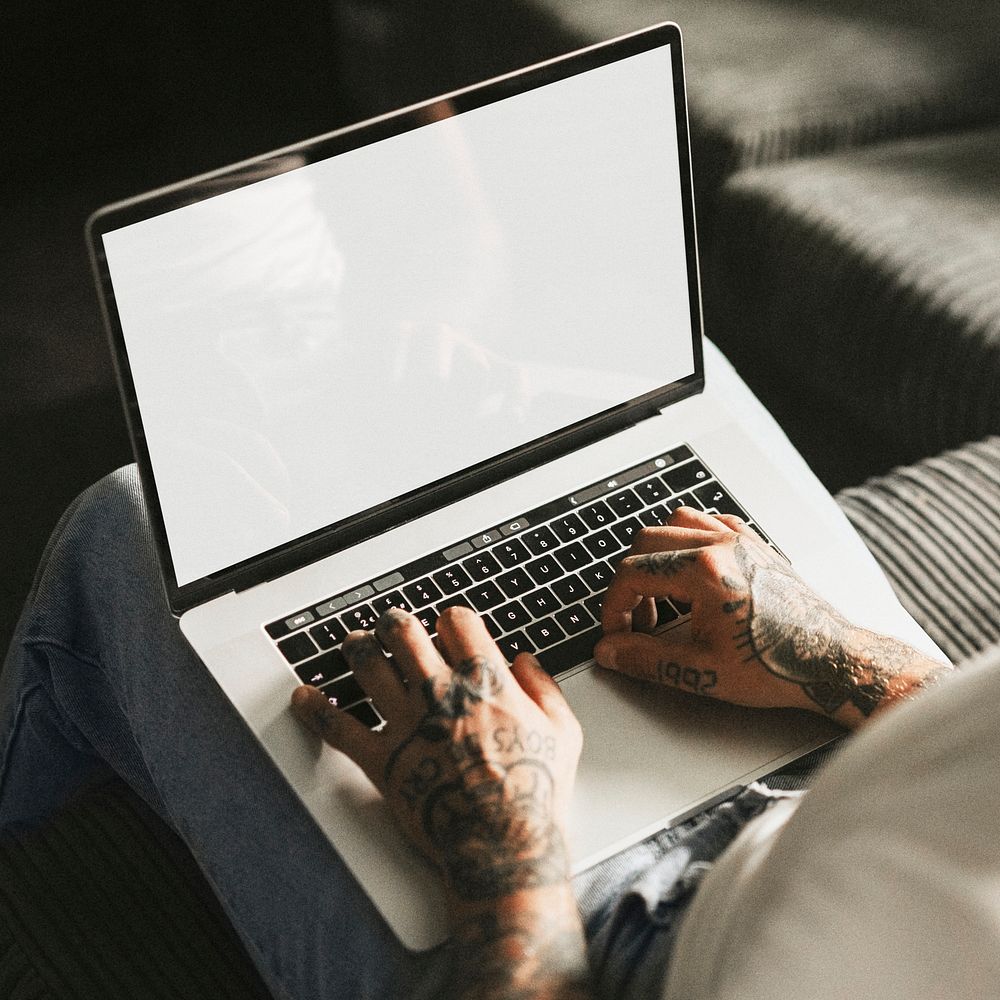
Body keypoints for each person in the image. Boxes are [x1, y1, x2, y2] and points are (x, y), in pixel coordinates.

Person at [3, 466, 999, 999]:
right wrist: (845, 661)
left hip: (602, 950)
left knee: (132, 523)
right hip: (825, 785)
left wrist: (504, 848)